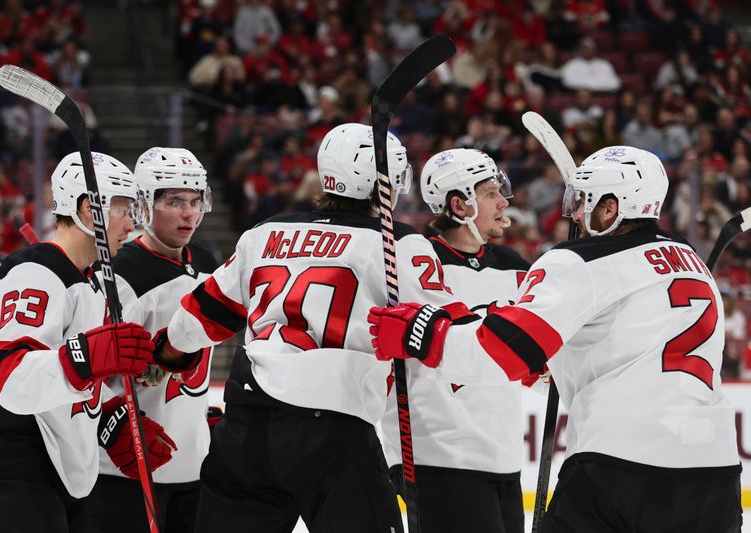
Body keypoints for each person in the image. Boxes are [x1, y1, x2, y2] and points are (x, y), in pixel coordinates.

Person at [369, 146, 742, 533]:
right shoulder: (691, 261)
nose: (576, 214)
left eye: (585, 202)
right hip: (716, 474)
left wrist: (421, 334)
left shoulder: (580, 261)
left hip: (621, 467)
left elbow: (497, 353)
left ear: (611, 207)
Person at [156, 123, 458, 532]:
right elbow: (453, 331)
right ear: (385, 181)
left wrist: (167, 353)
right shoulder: (395, 244)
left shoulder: (265, 232)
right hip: (335, 431)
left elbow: (193, 321)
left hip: (246, 427)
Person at [0, 152, 162, 532]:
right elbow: (9, 377)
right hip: (15, 461)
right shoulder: (33, 271)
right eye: (122, 209)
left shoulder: (93, 283)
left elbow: (72, 385)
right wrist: (86, 358)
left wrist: (109, 422)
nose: (132, 224)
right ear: (89, 209)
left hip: (61, 465)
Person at [380, 148, 530, 532]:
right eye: (491, 193)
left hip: (504, 456)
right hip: (440, 456)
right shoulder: (413, 259)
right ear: (460, 204)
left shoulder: (513, 263)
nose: (504, 201)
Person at [89, 147, 219, 533]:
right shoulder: (120, 273)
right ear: (144, 205)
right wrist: (110, 420)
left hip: (194, 468)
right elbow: (86, 368)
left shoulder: (208, 263)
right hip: (125, 473)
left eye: (196, 201)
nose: (189, 213)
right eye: (175, 201)